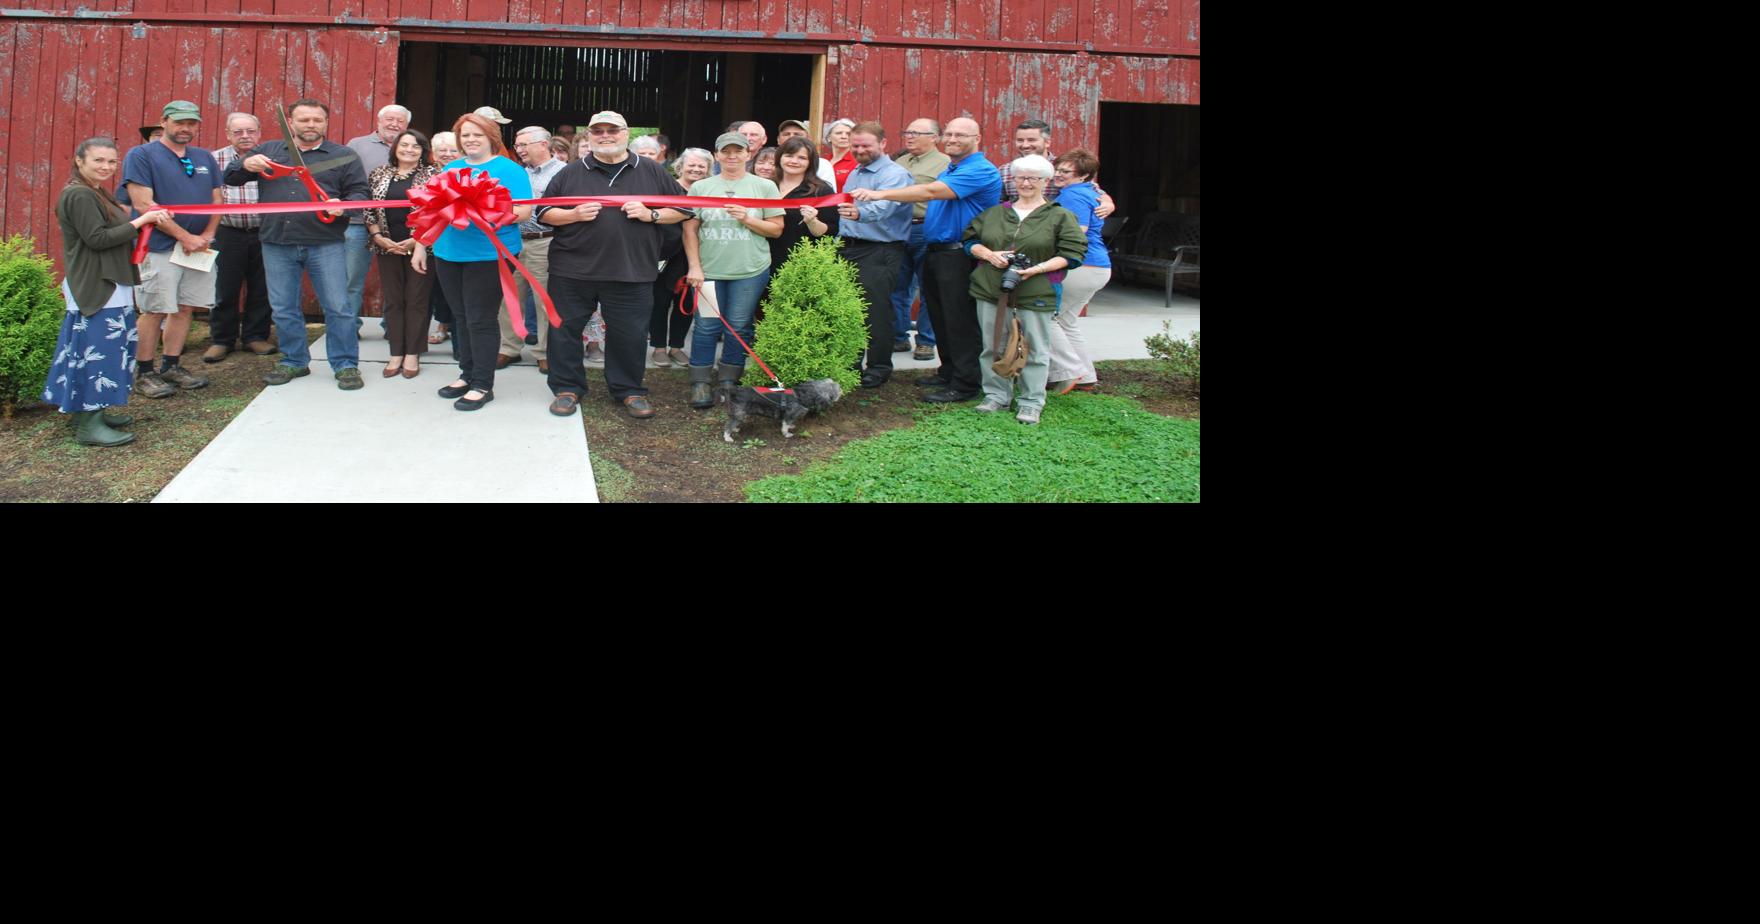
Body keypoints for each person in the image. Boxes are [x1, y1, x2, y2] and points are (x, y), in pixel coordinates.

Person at [534, 110, 694, 419]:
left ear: (626, 133)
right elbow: (543, 213)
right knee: (564, 330)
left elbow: (684, 209)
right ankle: (567, 388)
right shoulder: (570, 172)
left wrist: (652, 214)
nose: (605, 136)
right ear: (589, 136)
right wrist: (573, 215)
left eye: (613, 130)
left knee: (630, 334)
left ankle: (629, 389)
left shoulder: (651, 170)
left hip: (631, 269)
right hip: (572, 270)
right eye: (598, 131)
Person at [849, 116, 1001, 403]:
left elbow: (931, 191)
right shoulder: (952, 168)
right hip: (938, 251)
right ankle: (949, 372)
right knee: (942, 317)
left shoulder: (979, 169)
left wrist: (880, 193)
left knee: (959, 320)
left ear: (977, 139)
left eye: (961, 135)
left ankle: (966, 384)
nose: (953, 139)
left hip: (959, 253)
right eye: (950, 134)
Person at [229, 98, 371, 390]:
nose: (311, 125)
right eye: (304, 119)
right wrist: (245, 163)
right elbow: (230, 177)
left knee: (338, 306)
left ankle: (345, 364)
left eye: (317, 120)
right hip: (277, 242)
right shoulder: (269, 151)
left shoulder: (343, 155)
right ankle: (294, 360)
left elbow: (360, 193)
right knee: (283, 307)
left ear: (326, 122)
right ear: (291, 123)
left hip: (325, 242)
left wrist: (342, 206)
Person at [45, 137, 173, 447]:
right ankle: (89, 424)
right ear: (79, 161)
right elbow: (97, 239)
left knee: (100, 351)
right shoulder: (79, 194)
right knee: (96, 354)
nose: (106, 167)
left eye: (112, 161)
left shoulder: (94, 191)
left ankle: (91, 414)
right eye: (98, 160)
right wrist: (142, 220)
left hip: (110, 281)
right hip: (97, 284)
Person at [411, 113, 531, 410]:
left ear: (491, 137)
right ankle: (466, 374)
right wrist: (421, 245)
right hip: (449, 252)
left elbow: (524, 212)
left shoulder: (510, 170)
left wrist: (484, 212)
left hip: (489, 255)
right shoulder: (451, 168)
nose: (471, 140)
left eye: (477, 134)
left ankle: (482, 384)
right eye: (465, 135)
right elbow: (433, 208)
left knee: (480, 318)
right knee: (460, 316)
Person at [961, 155, 1086, 425]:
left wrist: (1037, 269)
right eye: (1021, 177)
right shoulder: (994, 213)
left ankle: (1031, 401)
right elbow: (969, 241)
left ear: (1045, 181)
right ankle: (996, 395)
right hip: (991, 289)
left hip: (1036, 291)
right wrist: (989, 254)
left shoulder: (1059, 216)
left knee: (1036, 349)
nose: (1026, 183)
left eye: (1033, 178)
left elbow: (1073, 254)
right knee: (992, 345)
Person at [120, 99, 221, 399]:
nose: (185, 128)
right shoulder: (141, 155)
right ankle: (144, 372)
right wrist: (184, 236)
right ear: (164, 122)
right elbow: (144, 204)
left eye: (191, 123)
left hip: (198, 247)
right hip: (160, 247)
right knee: (155, 308)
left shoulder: (203, 157)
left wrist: (208, 234)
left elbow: (217, 199)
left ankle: (171, 365)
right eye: (179, 122)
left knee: (185, 307)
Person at [683, 131, 783, 409]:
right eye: (725, 151)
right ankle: (701, 381)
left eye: (738, 151)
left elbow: (776, 229)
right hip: (709, 271)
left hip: (749, 271)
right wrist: (695, 266)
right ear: (716, 155)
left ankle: (729, 380)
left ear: (748, 154)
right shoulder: (701, 188)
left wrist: (747, 218)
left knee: (739, 326)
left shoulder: (764, 187)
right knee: (706, 325)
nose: (731, 156)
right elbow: (690, 230)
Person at [835, 121, 913, 388]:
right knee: (850, 309)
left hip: (880, 250)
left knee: (875, 311)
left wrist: (859, 213)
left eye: (866, 146)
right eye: (855, 146)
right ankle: (851, 365)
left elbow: (884, 207)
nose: (859, 150)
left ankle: (879, 367)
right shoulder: (856, 172)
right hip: (850, 247)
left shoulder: (895, 174)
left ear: (883, 143)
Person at [363, 129, 439, 378]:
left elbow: (438, 212)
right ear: (395, 147)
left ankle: (413, 353)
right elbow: (368, 209)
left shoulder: (433, 175)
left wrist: (416, 240)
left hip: (422, 247)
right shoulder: (379, 173)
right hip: (387, 246)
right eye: (404, 144)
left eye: (416, 146)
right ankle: (396, 352)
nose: (409, 150)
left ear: (423, 151)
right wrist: (377, 236)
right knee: (394, 301)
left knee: (416, 300)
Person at [207, 112, 277, 363]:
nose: (245, 136)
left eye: (250, 131)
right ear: (228, 134)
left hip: (264, 232)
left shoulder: (273, 158)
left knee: (262, 287)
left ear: (259, 133)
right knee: (225, 288)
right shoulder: (214, 160)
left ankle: (255, 337)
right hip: (228, 232)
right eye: (238, 132)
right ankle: (221, 339)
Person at [496, 126, 567, 375]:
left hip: (545, 241)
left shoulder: (564, 172)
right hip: (512, 240)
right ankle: (509, 348)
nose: (519, 150)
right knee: (509, 297)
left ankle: (544, 352)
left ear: (544, 144)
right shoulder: (517, 172)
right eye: (518, 145)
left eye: (524, 144)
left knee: (544, 298)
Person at [1047, 150, 1111, 394]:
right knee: (1067, 321)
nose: (1058, 174)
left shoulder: (1072, 195)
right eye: (1058, 170)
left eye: (1065, 171)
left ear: (1083, 175)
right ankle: (1086, 376)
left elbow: (1077, 231)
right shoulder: (1088, 191)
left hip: (1081, 266)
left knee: (1046, 317)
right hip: (1097, 266)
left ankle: (1069, 371)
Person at [345, 104, 411, 329]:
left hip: (395, 224)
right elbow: (344, 176)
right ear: (379, 121)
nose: (394, 124)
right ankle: (349, 328)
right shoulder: (357, 144)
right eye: (389, 119)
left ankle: (392, 327)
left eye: (400, 121)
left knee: (395, 279)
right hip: (357, 223)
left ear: (407, 125)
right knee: (352, 278)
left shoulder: (411, 147)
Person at [888, 117, 948, 361]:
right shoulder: (901, 162)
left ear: (935, 138)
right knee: (897, 286)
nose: (909, 137)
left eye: (916, 133)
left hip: (926, 228)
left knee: (928, 287)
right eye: (907, 132)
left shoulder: (945, 164)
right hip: (897, 228)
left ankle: (926, 341)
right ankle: (899, 336)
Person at [635, 136, 692, 368]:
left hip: (685, 251)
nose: (648, 157)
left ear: (660, 156)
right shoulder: (628, 180)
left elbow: (684, 212)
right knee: (658, 301)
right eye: (643, 154)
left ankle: (677, 346)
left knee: (685, 300)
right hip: (651, 252)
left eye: (652, 153)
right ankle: (659, 347)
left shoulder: (666, 180)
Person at [999, 119, 1115, 217]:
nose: (1025, 145)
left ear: (1047, 142)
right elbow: (999, 203)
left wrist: (1108, 203)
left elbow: (1094, 191)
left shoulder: (1063, 167)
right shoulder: (1005, 171)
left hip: (1054, 227)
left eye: (1031, 140)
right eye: (1020, 140)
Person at [769, 136, 839, 276]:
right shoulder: (766, 185)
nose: (794, 161)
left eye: (802, 158)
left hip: (801, 265)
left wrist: (812, 221)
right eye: (789, 156)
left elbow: (830, 231)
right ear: (779, 157)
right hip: (763, 261)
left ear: (810, 162)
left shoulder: (821, 191)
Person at [425, 131, 460, 348]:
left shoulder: (467, 173)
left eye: (453, 150)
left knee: (454, 291)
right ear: (434, 153)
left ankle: (454, 334)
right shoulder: (425, 174)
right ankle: (441, 326)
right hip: (427, 242)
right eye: (442, 150)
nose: (448, 154)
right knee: (435, 290)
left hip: (456, 240)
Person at [777, 119, 837, 187]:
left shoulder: (822, 165)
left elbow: (828, 193)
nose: (791, 137)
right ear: (778, 140)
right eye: (786, 134)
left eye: (797, 134)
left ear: (809, 139)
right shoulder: (769, 163)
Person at [823, 118, 856, 191]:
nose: (844, 136)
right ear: (828, 138)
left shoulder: (858, 162)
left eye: (848, 134)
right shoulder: (823, 162)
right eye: (838, 133)